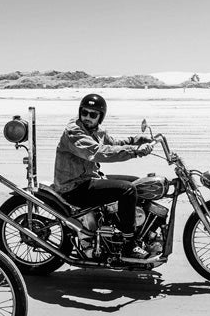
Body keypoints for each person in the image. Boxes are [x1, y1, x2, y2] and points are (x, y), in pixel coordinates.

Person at [53, 93, 155, 260]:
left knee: (137, 183)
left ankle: (129, 226)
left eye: (93, 114)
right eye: (84, 113)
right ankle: (129, 244)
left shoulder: (96, 131)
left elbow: (113, 143)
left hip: (90, 178)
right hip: (73, 187)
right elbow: (99, 153)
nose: (87, 117)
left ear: (100, 117)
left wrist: (137, 139)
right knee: (127, 190)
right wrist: (135, 152)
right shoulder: (74, 132)